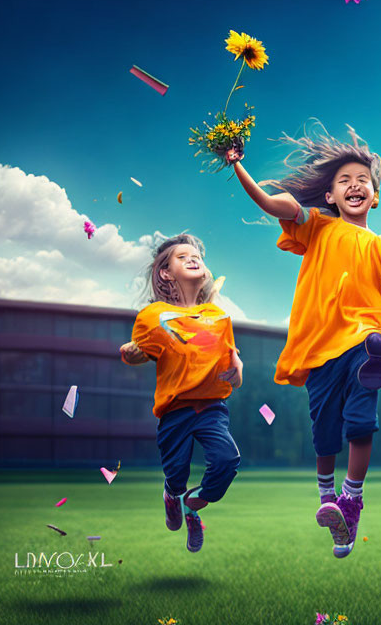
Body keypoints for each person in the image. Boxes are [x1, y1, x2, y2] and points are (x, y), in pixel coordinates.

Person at [226, 124, 381, 558]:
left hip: (366, 339)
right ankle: (329, 501)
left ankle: (353, 495)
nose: (353, 185)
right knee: (325, 431)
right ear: (329, 196)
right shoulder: (319, 227)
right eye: (343, 181)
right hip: (320, 347)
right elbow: (276, 205)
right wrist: (239, 166)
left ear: (375, 194)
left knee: (361, 419)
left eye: (362, 180)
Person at [120, 234, 242, 553]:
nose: (193, 258)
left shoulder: (219, 317)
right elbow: (141, 350)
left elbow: (231, 355)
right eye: (182, 256)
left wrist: (237, 368)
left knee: (227, 461)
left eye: (196, 256)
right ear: (165, 272)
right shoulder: (153, 315)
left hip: (212, 407)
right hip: (175, 410)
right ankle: (172, 493)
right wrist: (133, 353)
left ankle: (192, 504)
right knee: (177, 472)